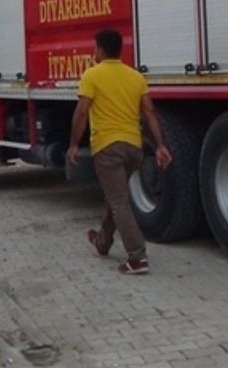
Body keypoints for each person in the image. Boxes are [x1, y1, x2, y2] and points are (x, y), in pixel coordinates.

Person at [67, 28, 173, 275]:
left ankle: (137, 257)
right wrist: (160, 145)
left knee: (118, 201)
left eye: (95, 47)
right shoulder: (136, 77)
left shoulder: (92, 75)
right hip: (134, 149)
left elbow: (82, 112)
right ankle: (103, 241)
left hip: (108, 148)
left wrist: (73, 144)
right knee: (116, 196)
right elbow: (149, 113)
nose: (93, 52)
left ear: (101, 49)